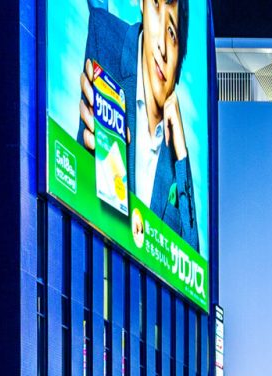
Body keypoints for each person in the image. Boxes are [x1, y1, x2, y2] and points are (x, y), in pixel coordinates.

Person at [76, 0, 201, 244]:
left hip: (142, 279)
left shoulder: (174, 148)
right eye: (156, 5)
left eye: (172, 33)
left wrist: (183, 155)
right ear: (143, 5)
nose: (162, 47)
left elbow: (192, 258)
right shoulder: (107, 35)